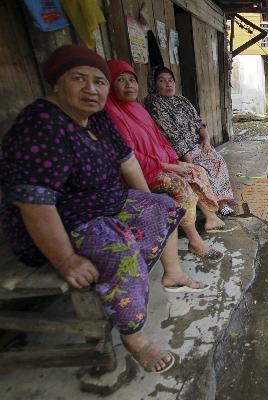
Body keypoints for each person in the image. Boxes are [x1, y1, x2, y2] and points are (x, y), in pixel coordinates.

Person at [0, 45, 203, 373]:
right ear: (56, 83)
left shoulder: (98, 118)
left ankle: (170, 272)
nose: (91, 89)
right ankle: (133, 335)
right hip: (64, 220)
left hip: (106, 202)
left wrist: (146, 203)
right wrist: (65, 258)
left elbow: (128, 160)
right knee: (120, 244)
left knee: (163, 207)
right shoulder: (39, 125)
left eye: (99, 81)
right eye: (78, 79)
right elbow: (34, 203)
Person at [105, 60, 228, 259]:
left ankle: (211, 217)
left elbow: (160, 140)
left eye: (131, 79)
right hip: (142, 172)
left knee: (198, 171)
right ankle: (195, 240)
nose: (128, 85)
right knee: (181, 185)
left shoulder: (137, 108)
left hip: (163, 162)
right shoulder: (113, 112)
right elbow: (130, 156)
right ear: (110, 84)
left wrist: (177, 161)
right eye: (120, 80)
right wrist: (174, 164)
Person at [144, 66, 235, 216]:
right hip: (177, 152)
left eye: (171, 80)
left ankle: (222, 202)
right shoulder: (154, 104)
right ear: (154, 84)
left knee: (217, 160)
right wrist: (188, 159)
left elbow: (199, 122)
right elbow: (171, 136)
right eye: (162, 81)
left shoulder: (182, 100)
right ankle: (213, 205)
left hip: (197, 145)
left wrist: (206, 140)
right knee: (201, 169)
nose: (168, 84)